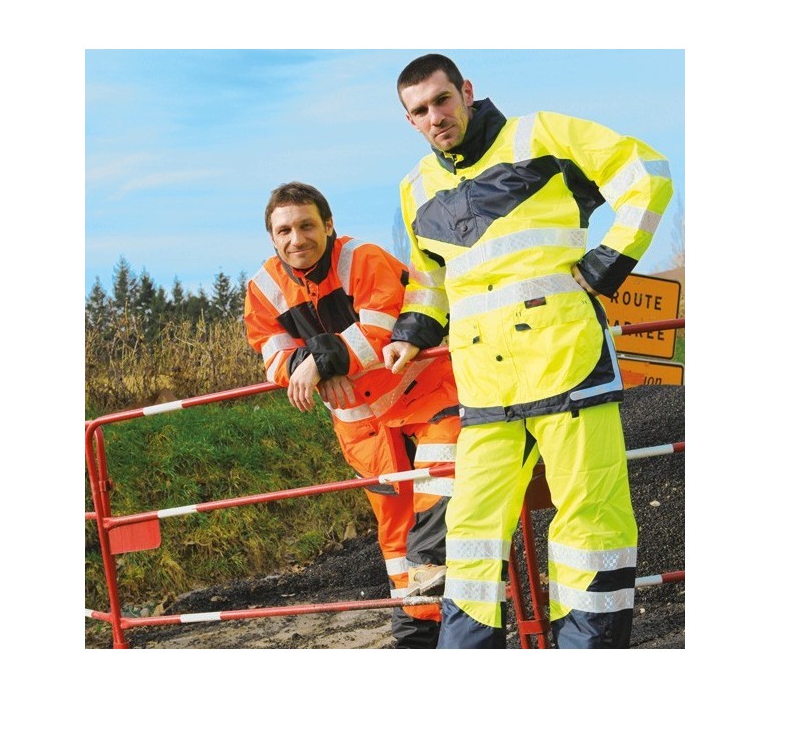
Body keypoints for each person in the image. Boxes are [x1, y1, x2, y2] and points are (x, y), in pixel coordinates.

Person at [383, 54, 674, 649]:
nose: (435, 117)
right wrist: (412, 331)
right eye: (420, 110)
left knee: (590, 522)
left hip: (568, 369)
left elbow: (647, 170)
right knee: (469, 531)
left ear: (466, 91)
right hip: (485, 388)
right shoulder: (415, 188)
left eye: (442, 100)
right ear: (409, 121)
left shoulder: (541, 135)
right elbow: (432, 279)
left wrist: (607, 261)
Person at [244, 181, 461, 649]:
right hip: (362, 425)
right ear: (272, 236)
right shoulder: (263, 289)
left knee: (440, 504)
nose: (295, 239)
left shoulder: (361, 258)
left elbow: (380, 326)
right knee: (395, 533)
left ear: (329, 225)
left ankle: (468, 630)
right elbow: (274, 357)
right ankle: (417, 634)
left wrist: (323, 359)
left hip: (426, 397)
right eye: (283, 230)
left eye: (306, 226)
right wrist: (318, 366)